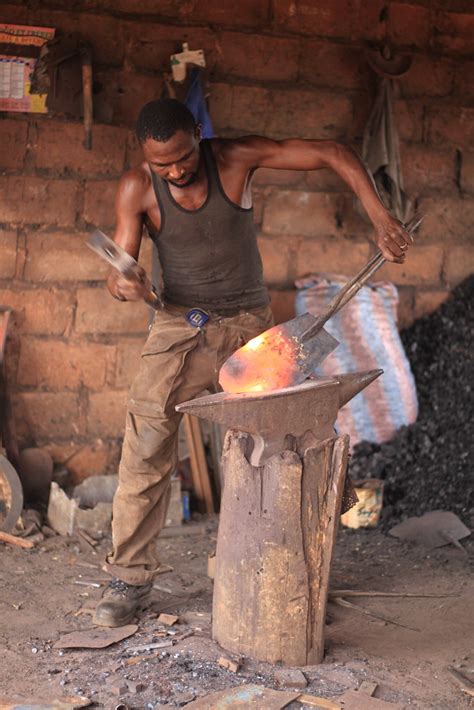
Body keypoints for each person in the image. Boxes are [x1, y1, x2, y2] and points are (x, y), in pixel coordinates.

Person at [93, 98, 412, 627]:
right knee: (146, 447)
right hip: (180, 327)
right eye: (161, 163)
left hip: (249, 326)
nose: (173, 171)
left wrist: (380, 217)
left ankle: (291, 566)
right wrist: (123, 281)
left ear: (199, 134)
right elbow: (120, 268)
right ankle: (129, 579)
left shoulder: (236, 159)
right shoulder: (137, 188)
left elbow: (333, 152)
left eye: (181, 158)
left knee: (292, 440)